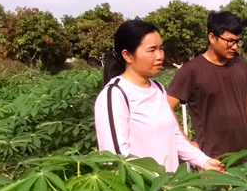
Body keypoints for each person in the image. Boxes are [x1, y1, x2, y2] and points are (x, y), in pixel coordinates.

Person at [94, 20, 224, 173]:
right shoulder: (114, 94)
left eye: (161, 49)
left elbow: (175, 136)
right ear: (127, 56)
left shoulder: (158, 88)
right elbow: (118, 159)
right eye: (152, 50)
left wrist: (204, 161)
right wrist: (157, 184)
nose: (160, 56)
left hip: (169, 189)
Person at [167, 11, 247, 160]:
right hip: (211, 160)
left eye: (238, 41)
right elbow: (167, 107)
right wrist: (187, 143)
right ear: (212, 37)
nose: (235, 47)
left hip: (244, 155)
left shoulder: (241, 65)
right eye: (230, 41)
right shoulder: (191, 70)